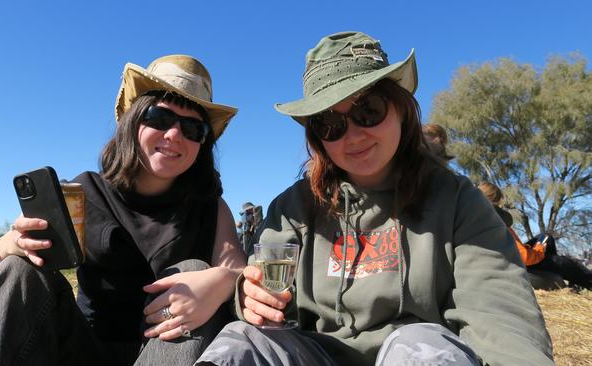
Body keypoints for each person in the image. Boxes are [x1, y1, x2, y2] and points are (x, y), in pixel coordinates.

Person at [196, 32, 553, 366]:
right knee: (239, 340)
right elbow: (272, 303)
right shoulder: (292, 210)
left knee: (422, 345)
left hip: (413, 354)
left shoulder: (458, 202)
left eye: (368, 111)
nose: (352, 136)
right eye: (330, 124)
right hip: (315, 355)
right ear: (318, 138)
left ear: (400, 108)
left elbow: (499, 313)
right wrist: (249, 297)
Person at [0, 55, 246, 366]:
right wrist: (8, 245)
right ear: (133, 121)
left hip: (169, 353)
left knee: (197, 272)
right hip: (83, 350)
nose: (174, 135)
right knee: (19, 269)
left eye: (192, 128)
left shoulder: (210, 207)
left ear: (202, 145)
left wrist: (223, 282)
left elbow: (237, 270)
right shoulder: (82, 194)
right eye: (159, 118)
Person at [478, 181, 548, 266]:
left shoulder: (468, 220)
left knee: (542, 238)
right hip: (512, 267)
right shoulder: (498, 224)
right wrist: (540, 250)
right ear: (499, 201)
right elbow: (524, 258)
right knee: (548, 240)